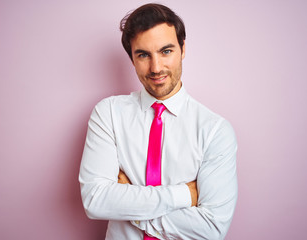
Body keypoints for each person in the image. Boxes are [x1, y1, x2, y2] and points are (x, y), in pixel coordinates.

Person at [79, 3, 237, 240]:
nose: (156, 68)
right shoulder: (108, 114)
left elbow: (211, 230)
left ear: (183, 49)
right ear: (132, 59)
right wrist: (184, 195)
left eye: (166, 51)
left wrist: (129, 204)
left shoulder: (215, 130)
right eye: (143, 55)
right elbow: (95, 200)